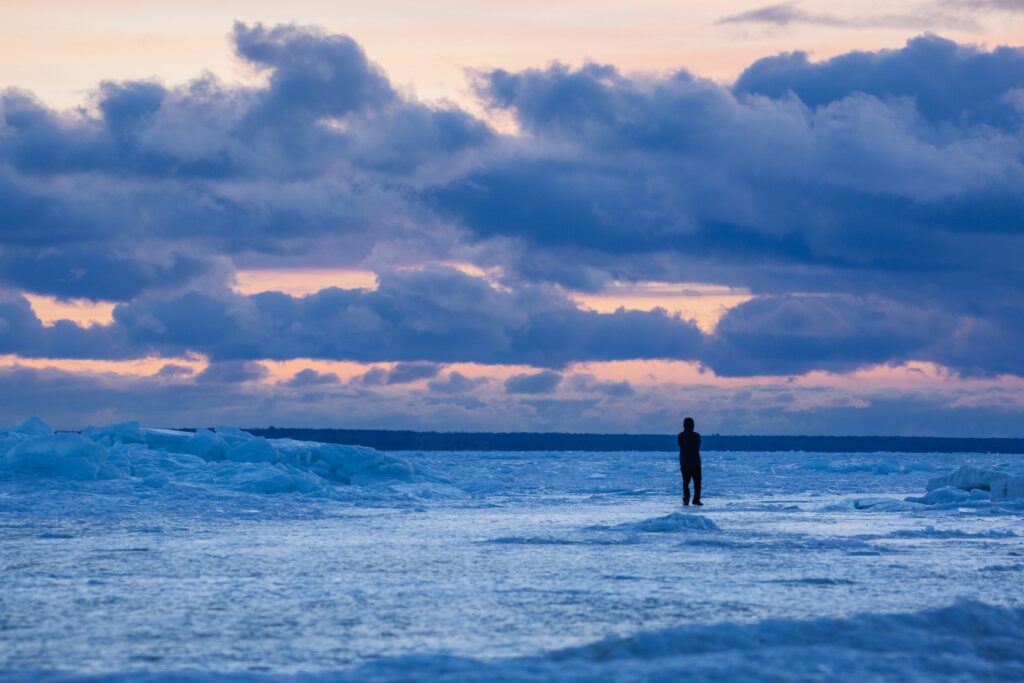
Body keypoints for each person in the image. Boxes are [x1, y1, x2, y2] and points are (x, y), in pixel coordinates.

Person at [677, 417, 702, 506]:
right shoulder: (696, 435)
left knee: (686, 482)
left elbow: (680, 445)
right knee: (697, 483)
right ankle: (696, 499)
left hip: (685, 462)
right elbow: (698, 446)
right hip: (695, 462)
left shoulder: (680, 435)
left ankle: (686, 499)